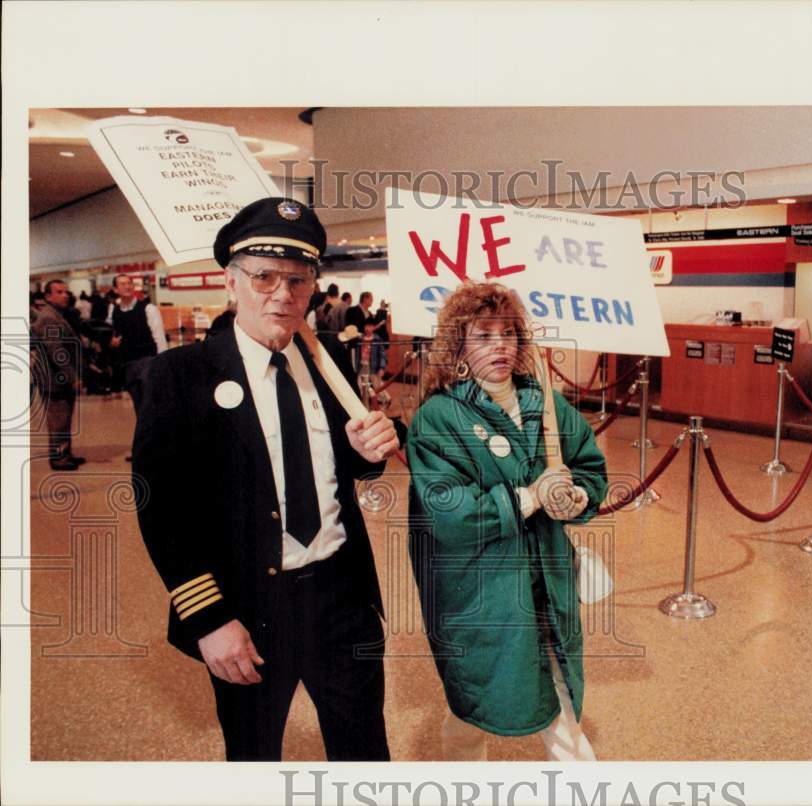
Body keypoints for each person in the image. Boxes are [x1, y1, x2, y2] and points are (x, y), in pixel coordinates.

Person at [132, 197, 399, 762]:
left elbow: (343, 466)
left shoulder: (329, 358)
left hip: (340, 596)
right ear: (231, 282)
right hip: (247, 606)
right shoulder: (183, 375)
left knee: (364, 753)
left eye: (298, 280)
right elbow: (161, 509)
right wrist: (207, 619)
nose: (282, 293)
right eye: (264, 277)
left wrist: (368, 453)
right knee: (253, 758)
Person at [405, 282, 608, 761]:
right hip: (480, 595)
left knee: (559, 705)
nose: (499, 344)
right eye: (483, 335)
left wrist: (575, 495)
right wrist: (528, 497)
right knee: (470, 707)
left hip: (546, 585)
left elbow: (588, 467)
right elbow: (449, 511)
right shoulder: (439, 418)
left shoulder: (548, 407)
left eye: (508, 333)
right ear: (458, 346)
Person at [30, 279, 86, 470]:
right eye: (59, 292)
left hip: (58, 378)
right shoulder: (48, 318)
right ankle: (59, 459)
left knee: (64, 418)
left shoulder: (57, 315)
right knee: (58, 420)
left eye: (66, 292)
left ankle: (66, 453)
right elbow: (56, 352)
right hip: (54, 379)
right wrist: (73, 377)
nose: (65, 295)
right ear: (48, 296)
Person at [108, 273, 167, 415]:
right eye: (122, 284)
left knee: (151, 403)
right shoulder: (113, 310)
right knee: (138, 405)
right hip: (127, 363)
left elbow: (159, 337)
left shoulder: (148, 308)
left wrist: (162, 364)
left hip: (148, 361)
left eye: (129, 283)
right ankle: (144, 435)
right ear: (115, 289)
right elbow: (109, 332)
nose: (127, 286)